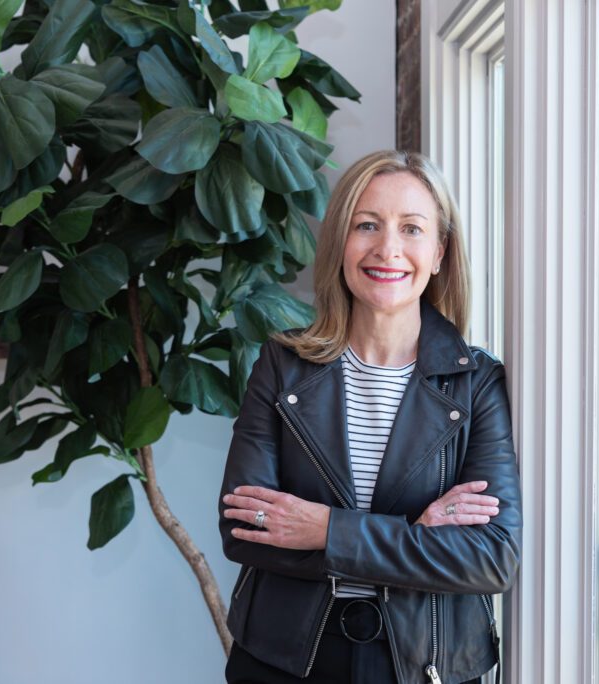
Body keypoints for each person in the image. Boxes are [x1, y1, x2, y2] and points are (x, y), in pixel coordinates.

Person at [218, 149, 522, 684]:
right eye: (367, 225)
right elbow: (244, 527)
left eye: (411, 229)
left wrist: (325, 529)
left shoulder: (477, 383)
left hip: (426, 662)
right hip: (282, 660)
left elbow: (490, 557)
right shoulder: (282, 366)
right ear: (340, 241)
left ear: (439, 251)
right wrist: (416, 537)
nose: (388, 249)